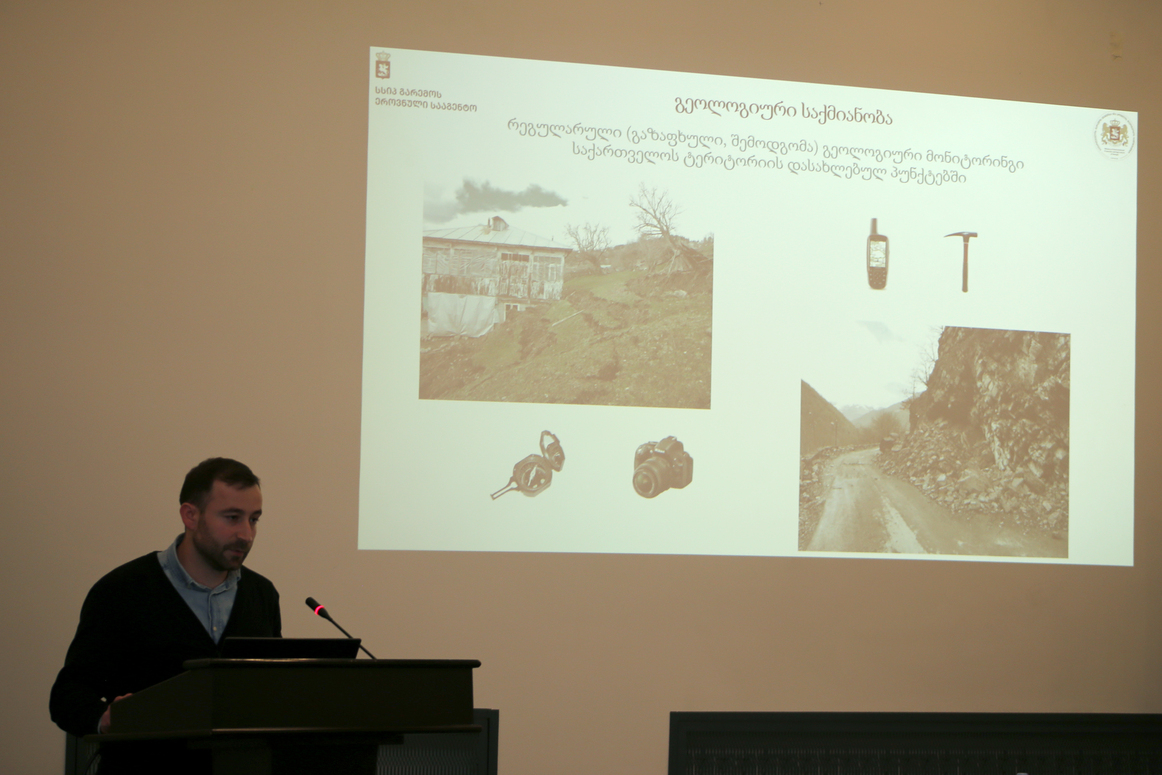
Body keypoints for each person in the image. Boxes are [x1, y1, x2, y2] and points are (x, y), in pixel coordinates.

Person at [50, 458, 281, 769]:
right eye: (232, 517)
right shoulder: (123, 590)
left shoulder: (261, 594)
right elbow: (68, 695)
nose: (246, 534)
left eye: (254, 519)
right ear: (190, 515)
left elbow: (271, 691)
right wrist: (104, 718)